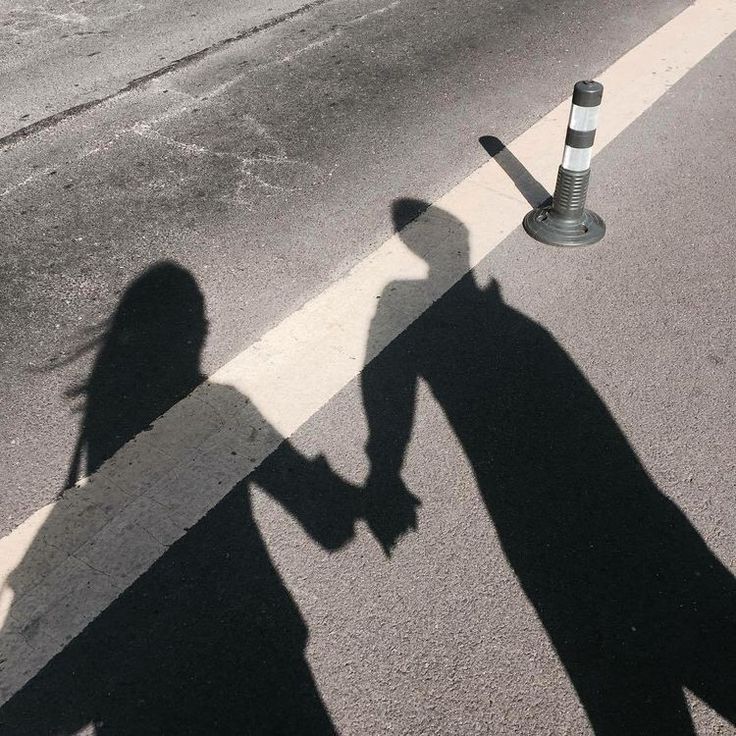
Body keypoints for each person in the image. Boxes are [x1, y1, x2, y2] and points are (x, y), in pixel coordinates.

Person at [361, 199, 736, 735]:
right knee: (710, 627)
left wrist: (384, 472)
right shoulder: (520, 325)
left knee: (621, 684)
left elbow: (388, 389)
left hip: (539, 519)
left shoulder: (419, 307)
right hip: (642, 513)